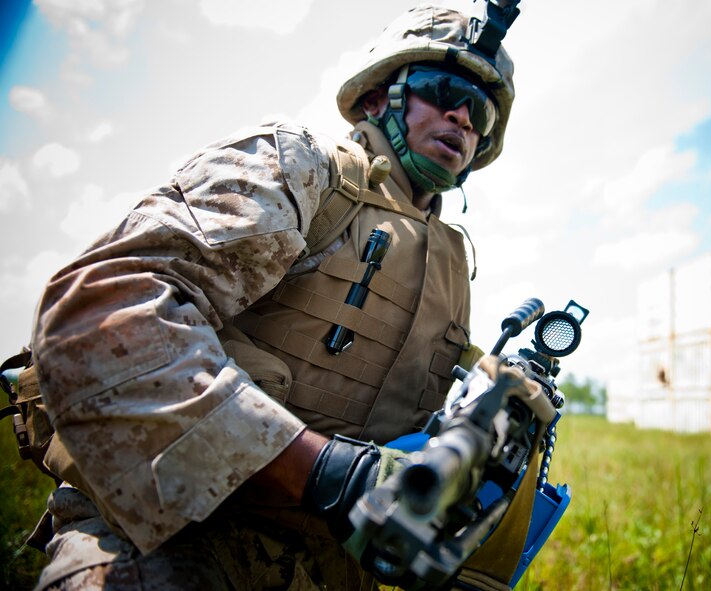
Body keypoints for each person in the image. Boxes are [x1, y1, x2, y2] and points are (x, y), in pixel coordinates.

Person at [29, 5, 530, 590]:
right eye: (444, 91)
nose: (462, 116)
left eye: (481, 111)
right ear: (377, 99)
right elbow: (107, 306)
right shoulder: (303, 168)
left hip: (336, 571)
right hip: (173, 533)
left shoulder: (451, 263)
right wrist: (324, 472)